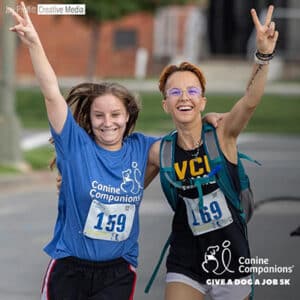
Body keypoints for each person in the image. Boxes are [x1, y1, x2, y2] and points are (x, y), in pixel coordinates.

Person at [8, 3, 160, 299]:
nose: (108, 123)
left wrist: (209, 120)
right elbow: (51, 92)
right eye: (99, 115)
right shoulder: (75, 146)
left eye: (115, 115)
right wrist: (34, 42)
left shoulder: (142, 147)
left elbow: (183, 147)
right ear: (89, 120)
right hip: (69, 270)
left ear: (128, 115)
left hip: (117, 273)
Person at [145, 5, 279, 300]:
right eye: (174, 92)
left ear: (203, 102)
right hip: (185, 260)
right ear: (165, 104)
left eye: (192, 92)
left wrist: (263, 56)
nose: (184, 98)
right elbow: (126, 190)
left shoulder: (222, 135)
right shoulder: (160, 151)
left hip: (231, 259)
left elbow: (250, 101)